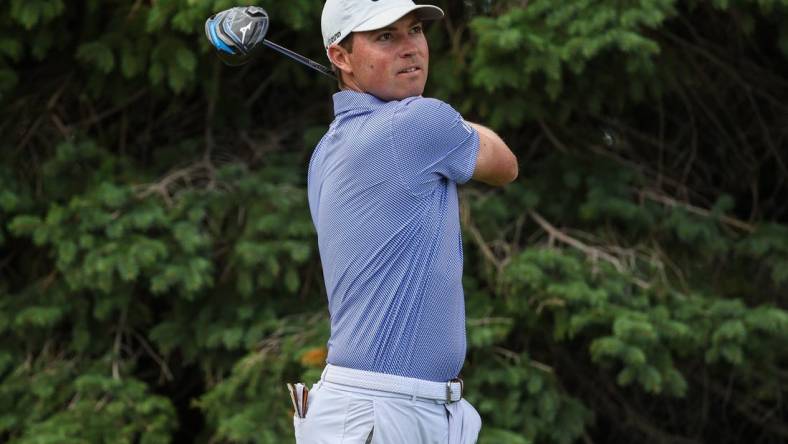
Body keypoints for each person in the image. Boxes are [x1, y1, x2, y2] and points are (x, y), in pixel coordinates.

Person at [296, 0, 518, 442]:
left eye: (414, 30)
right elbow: (505, 165)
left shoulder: (325, 152)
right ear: (340, 56)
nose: (410, 48)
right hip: (383, 411)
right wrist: (449, 121)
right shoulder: (420, 123)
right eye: (385, 36)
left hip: (378, 408)